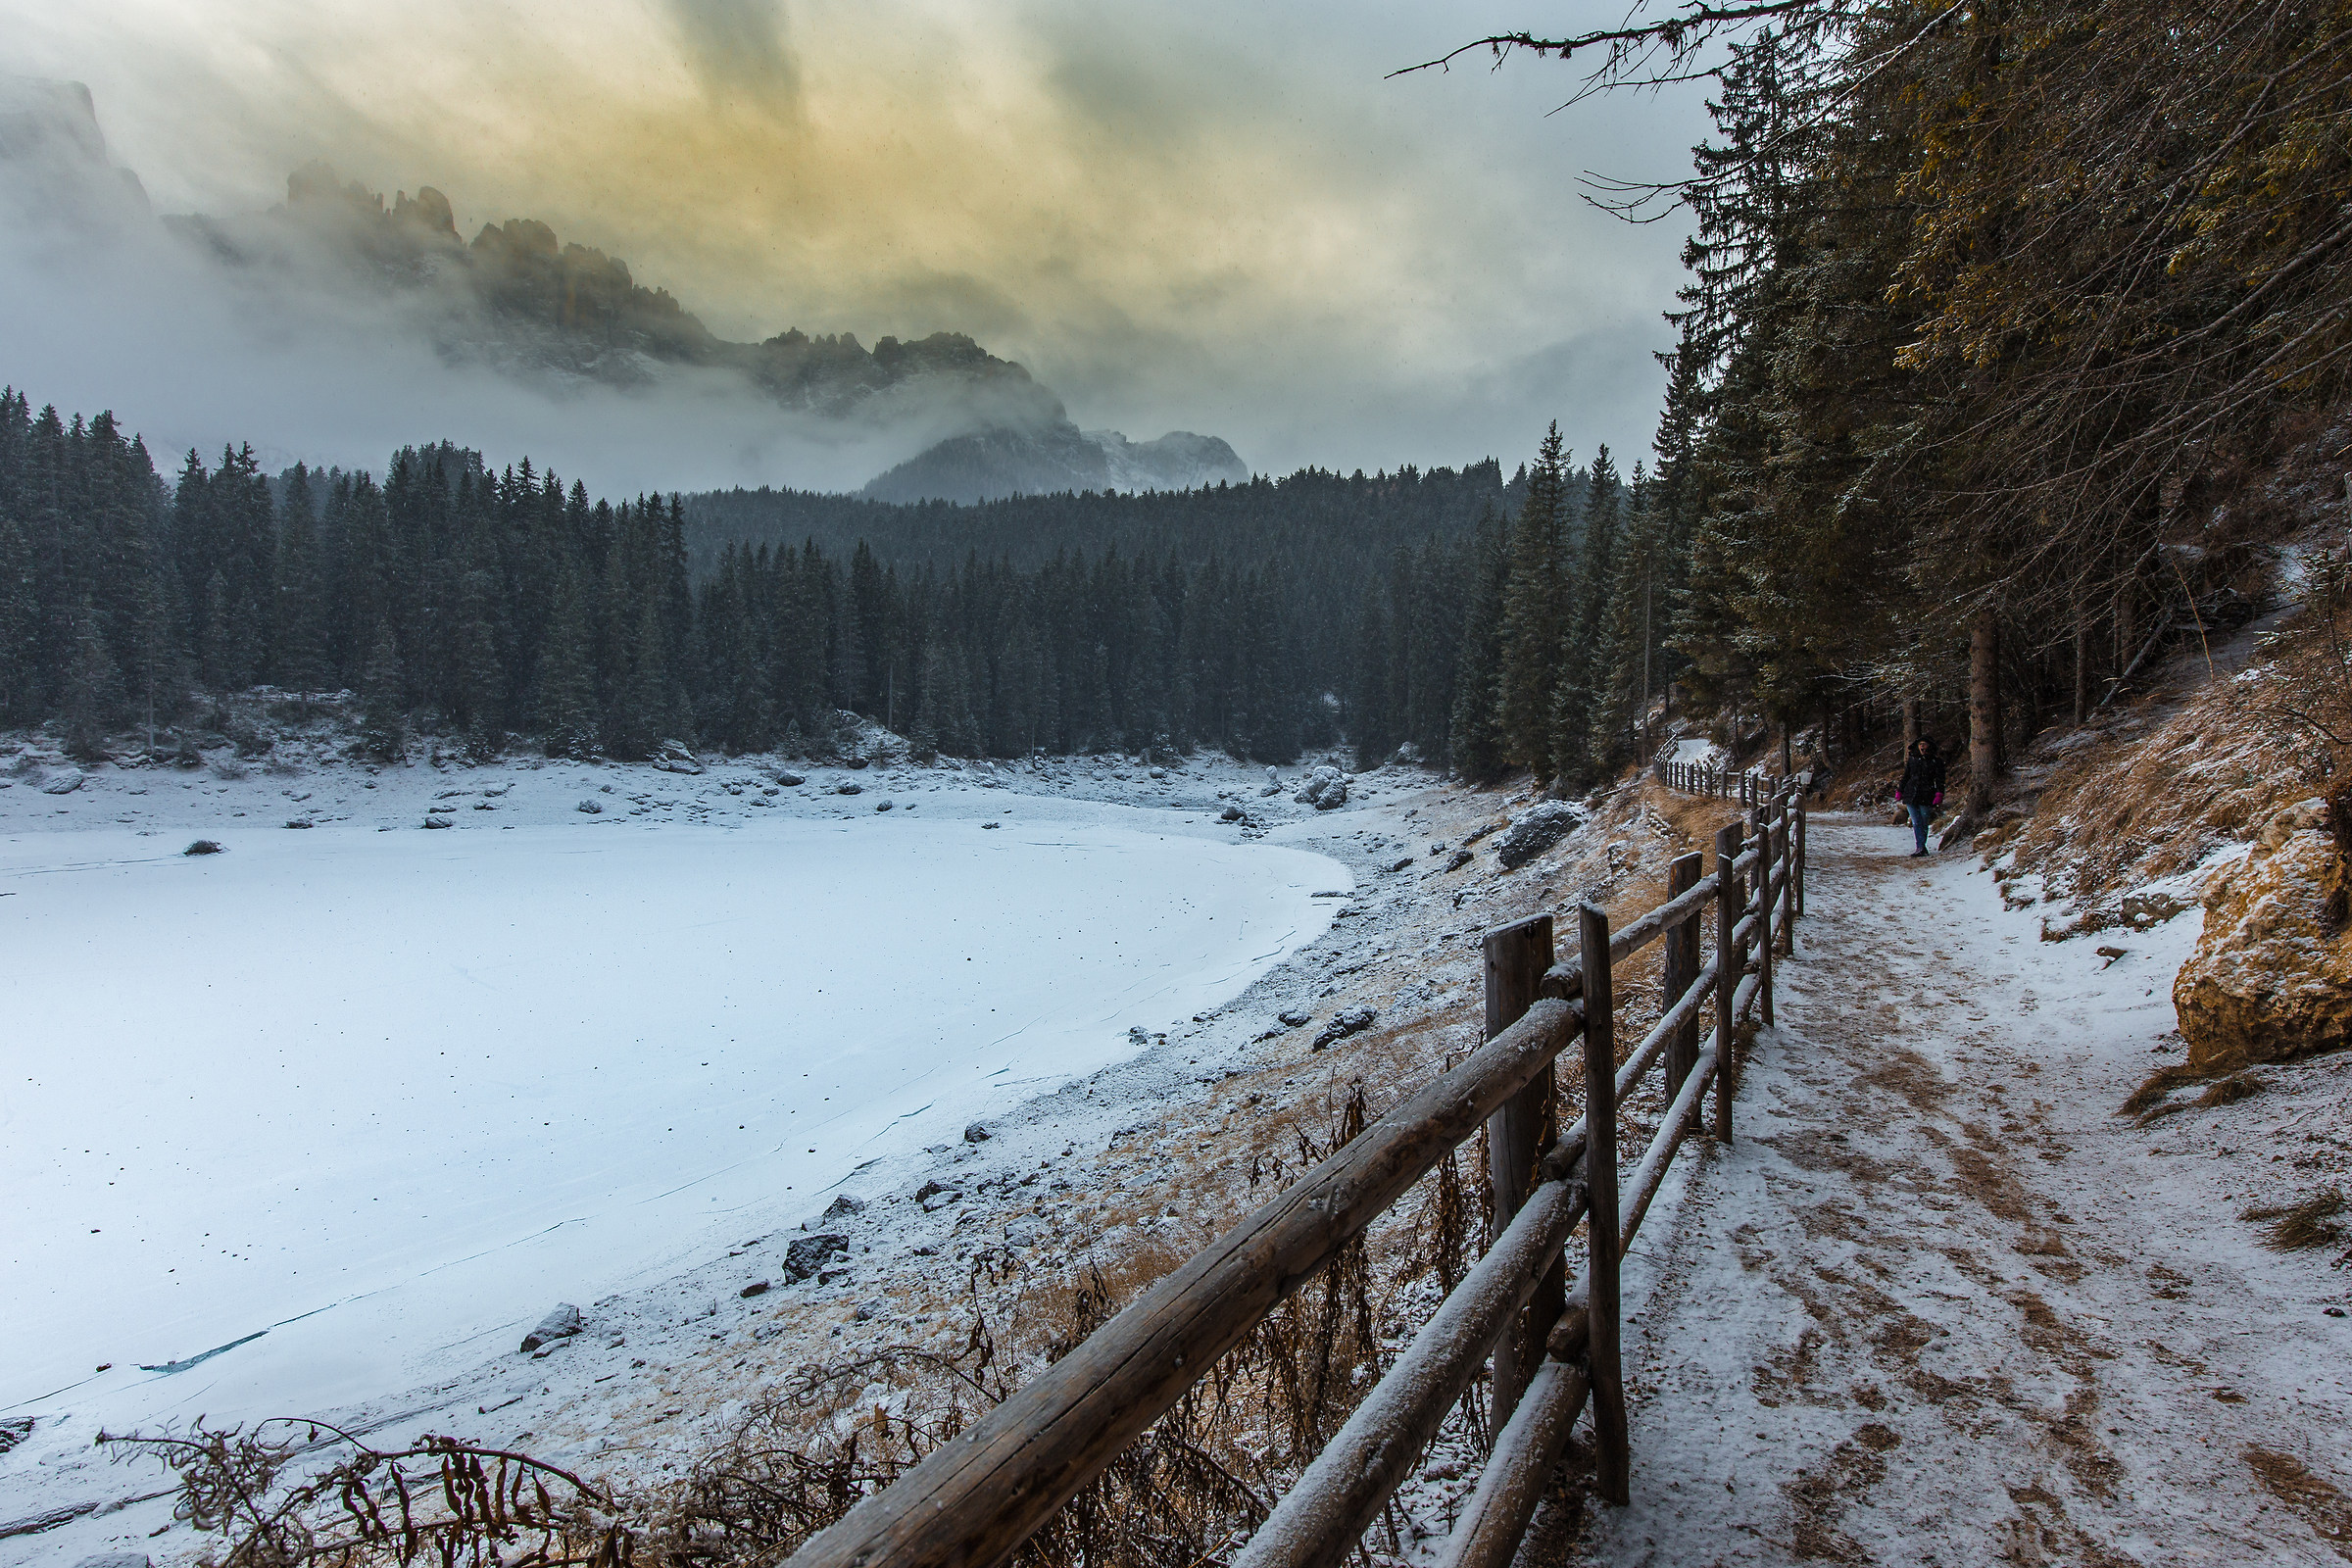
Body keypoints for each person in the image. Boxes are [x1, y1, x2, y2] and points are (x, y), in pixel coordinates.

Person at [1896, 736, 1945, 857]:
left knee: (1923, 821)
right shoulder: (1913, 760)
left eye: (1924, 744)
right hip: (1911, 794)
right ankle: (1920, 846)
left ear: (1929, 746)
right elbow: (1906, 776)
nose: (1922, 746)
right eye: (1920, 744)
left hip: (1927, 794)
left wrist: (1939, 793)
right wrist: (1900, 790)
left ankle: (1922, 846)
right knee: (1916, 822)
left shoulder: (1935, 761)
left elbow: (1940, 779)